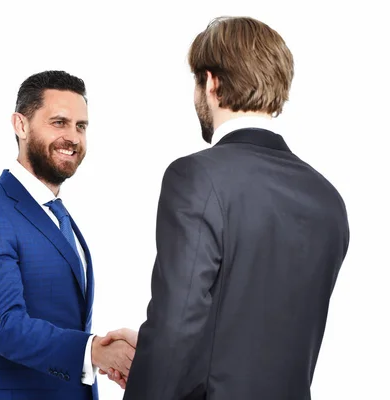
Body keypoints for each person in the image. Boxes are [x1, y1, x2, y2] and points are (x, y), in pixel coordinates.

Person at [121, 17, 350, 399]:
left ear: (211, 82)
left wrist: (153, 364)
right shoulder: (327, 197)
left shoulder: (195, 176)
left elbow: (178, 325)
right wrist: (148, 349)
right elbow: (255, 332)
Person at [0, 70, 135, 400]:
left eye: (81, 126)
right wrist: (94, 351)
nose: (74, 137)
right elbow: (5, 327)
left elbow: (63, 320)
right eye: (59, 122)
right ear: (21, 125)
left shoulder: (56, 214)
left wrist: (105, 358)